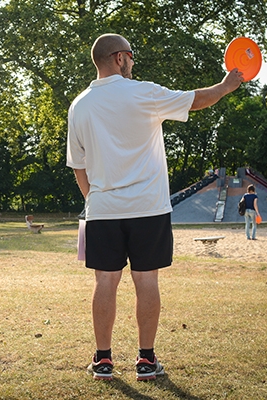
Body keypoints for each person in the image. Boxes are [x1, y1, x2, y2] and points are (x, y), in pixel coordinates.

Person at [66, 33, 243, 381]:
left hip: (103, 210)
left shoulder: (79, 104)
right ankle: (146, 360)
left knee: (105, 282)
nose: (133, 63)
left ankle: (103, 360)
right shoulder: (142, 92)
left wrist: (94, 200)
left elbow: (78, 166)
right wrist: (225, 85)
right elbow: (196, 100)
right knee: (146, 280)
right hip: (148, 207)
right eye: (131, 56)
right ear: (119, 58)